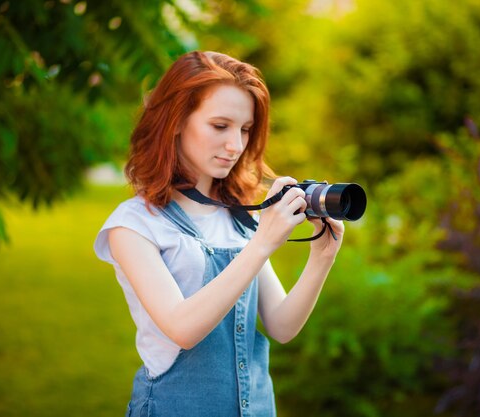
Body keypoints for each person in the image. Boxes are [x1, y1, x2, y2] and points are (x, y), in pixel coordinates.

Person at [94, 50, 344, 417]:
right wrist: (260, 245)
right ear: (176, 121)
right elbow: (182, 328)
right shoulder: (133, 225)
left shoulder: (237, 215)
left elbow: (282, 325)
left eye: (245, 130)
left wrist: (323, 255)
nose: (236, 145)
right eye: (220, 126)